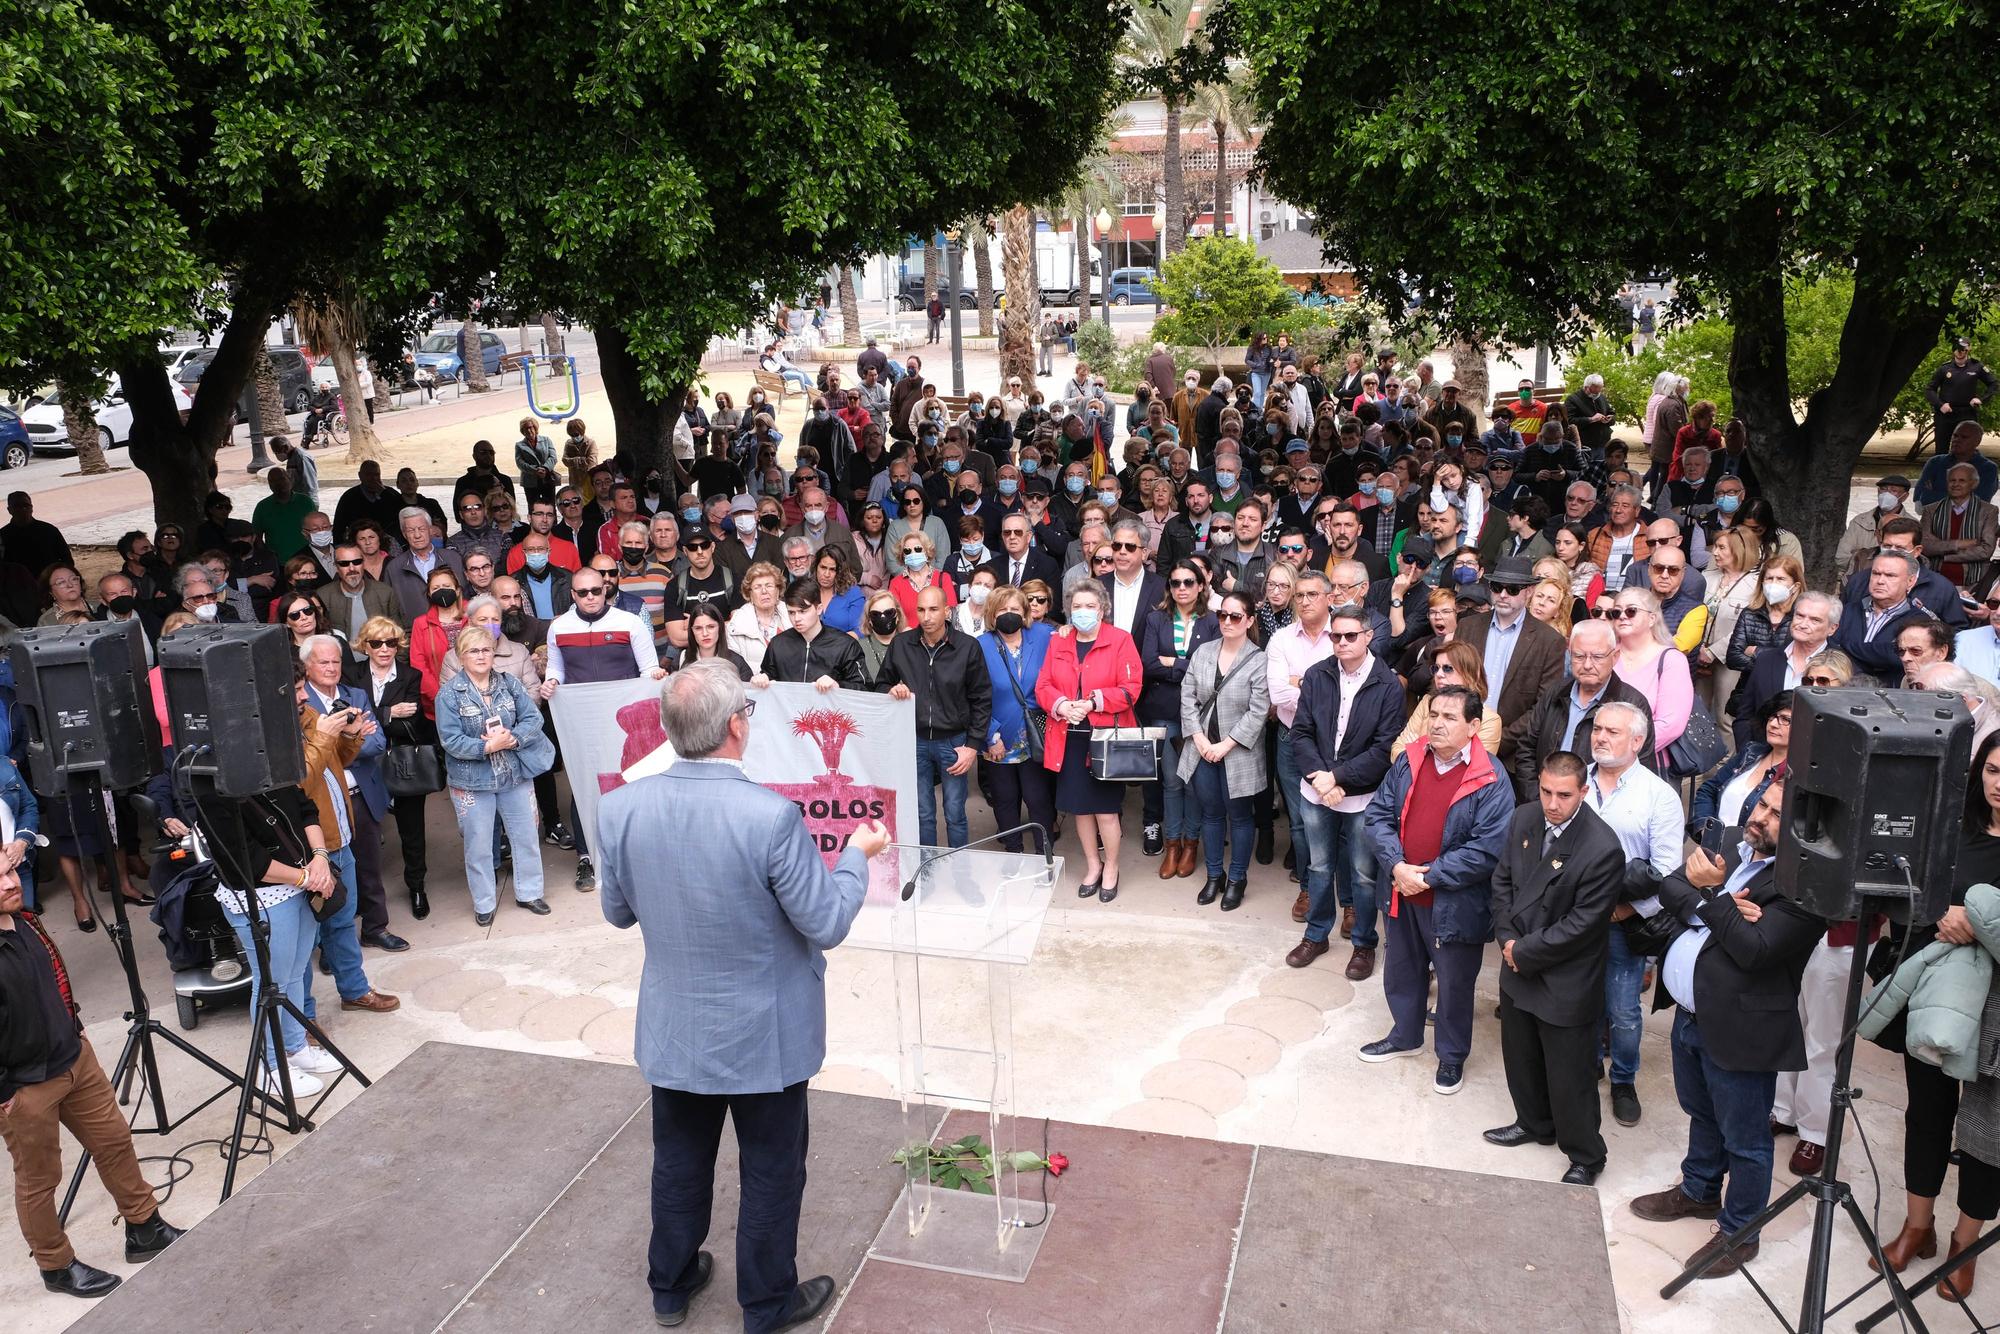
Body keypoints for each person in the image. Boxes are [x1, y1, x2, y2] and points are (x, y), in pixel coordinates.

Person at [597, 662, 890, 1331]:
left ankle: (669, 1286)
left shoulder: (620, 808)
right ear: (736, 726)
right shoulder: (771, 816)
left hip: (676, 1029)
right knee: (770, 1173)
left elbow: (617, 913)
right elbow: (826, 922)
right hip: (768, 1034)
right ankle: (765, 1304)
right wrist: (854, 855)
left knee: (677, 1163)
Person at [1628, 780, 1825, 1278]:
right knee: (1702, 1113)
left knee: (1746, 1138)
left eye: (1777, 814)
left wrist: (1711, 891)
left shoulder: (1806, 887)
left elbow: (1754, 950)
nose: (1760, 816)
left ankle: (1741, 1230)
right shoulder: (1733, 839)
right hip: (1691, 1015)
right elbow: (1670, 885)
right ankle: (1698, 1191)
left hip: (1742, 1027)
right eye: (1763, 803)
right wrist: (1716, 910)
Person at [0, 854, 186, 1299]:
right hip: (24, 1087)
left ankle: (144, 1228)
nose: (10, 883)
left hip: (74, 1060)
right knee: (39, 1181)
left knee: (114, 1141)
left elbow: (53, 977)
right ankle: (56, 1266)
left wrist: (74, 1022)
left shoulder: (25, 921)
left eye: (8, 872)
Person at [1870, 730, 2000, 1293]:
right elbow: (1909, 900)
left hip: (1997, 1017)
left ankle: (1964, 1241)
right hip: (1940, 1000)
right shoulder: (1954, 832)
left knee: (1987, 1131)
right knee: (1927, 1111)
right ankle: (1918, 1224)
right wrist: (1943, 916)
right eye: (1994, 770)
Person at [1357, 687, 1514, 1095]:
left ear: (1474, 726)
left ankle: (1451, 1057)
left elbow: (1487, 849)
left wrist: (1427, 876)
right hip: (1400, 890)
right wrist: (1396, 865)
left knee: (1455, 983)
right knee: (1402, 970)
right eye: (1434, 715)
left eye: (1449, 717)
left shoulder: (1492, 778)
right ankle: (1405, 1036)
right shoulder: (1409, 761)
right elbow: (1376, 817)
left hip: (1454, 903)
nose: (1438, 724)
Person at [1483, 751, 1626, 1184]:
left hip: (1564, 977)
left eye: (1563, 795)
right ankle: (1533, 1123)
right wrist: (1507, 940)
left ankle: (1586, 1155)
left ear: (1584, 792)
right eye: (1545, 791)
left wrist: (1522, 951)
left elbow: (1582, 926)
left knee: (1570, 1075)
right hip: (1518, 959)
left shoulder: (1602, 848)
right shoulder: (1524, 818)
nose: (1552, 803)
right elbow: (1503, 881)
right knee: (1521, 1055)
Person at [1287, 600, 1405, 978]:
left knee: (1364, 874)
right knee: (1318, 867)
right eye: (1335, 636)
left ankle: (1364, 944)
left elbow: (1385, 748)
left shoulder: (1387, 683)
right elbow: (1301, 733)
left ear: (1368, 636)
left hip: (1362, 797)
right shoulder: (1318, 674)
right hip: (1316, 791)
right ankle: (1316, 934)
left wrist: (1337, 778)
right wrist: (1320, 778)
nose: (1341, 643)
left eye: (1350, 636)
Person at [436, 623, 556, 924]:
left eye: (486, 649)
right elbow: (450, 741)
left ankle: (530, 893)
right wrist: (488, 747)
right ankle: (484, 902)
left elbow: (532, 718)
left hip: (514, 774)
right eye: (473, 651)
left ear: (493, 653)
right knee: (477, 844)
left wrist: (512, 739)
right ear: (461, 656)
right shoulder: (449, 695)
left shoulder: (509, 684)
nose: (480, 655)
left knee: (526, 836)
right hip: (472, 781)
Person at [298, 636, 406, 952]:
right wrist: (348, 737)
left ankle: (375, 928)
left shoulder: (355, 694)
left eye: (336, 661)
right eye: (323, 662)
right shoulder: (303, 704)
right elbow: (308, 760)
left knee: (370, 868)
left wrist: (336, 742)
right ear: (307, 667)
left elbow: (377, 742)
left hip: (361, 794)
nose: (332, 668)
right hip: (324, 804)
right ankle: (332, 946)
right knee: (331, 875)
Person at [1035, 581, 1142, 901]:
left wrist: (1094, 701)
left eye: (1090, 606)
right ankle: (1092, 865)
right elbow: (1043, 686)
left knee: (1106, 811)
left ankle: (1111, 867)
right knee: (1080, 809)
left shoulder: (1120, 640)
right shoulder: (1059, 642)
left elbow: (1131, 687)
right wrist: (1062, 705)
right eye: (1077, 607)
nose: (1083, 612)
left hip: (1105, 738)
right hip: (1069, 737)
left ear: (1103, 609)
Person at [1178, 591, 1269, 911]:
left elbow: (1258, 711)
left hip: (1238, 751)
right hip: (1202, 748)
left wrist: (1225, 744)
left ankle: (1237, 879)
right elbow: (1187, 696)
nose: (1227, 622)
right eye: (1222, 615)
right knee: (1211, 815)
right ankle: (1214, 875)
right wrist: (1201, 741)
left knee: (1241, 818)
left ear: (1249, 621)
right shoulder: (1203, 651)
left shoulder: (1258, 659)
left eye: (1235, 616)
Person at [883, 587, 991, 850]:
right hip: (915, 740)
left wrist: (972, 746)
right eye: (921, 610)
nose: (926, 616)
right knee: (922, 813)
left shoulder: (967, 647)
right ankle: (927, 874)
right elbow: (880, 685)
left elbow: (982, 698)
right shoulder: (901, 645)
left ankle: (959, 871)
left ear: (947, 611)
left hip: (953, 741)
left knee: (955, 813)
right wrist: (891, 689)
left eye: (933, 609)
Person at [1505, 619, 1657, 799]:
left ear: (1614, 657)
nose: (1587, 665)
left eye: (1597, 657)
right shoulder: (1556, 692)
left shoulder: (1631, 704)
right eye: (1579, 656)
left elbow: (1640, 772)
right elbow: (1527, 747)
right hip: (1543, 805)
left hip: (1598, 814)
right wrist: (1539, 798)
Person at [346, 617, 433, 920]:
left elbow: (411, 722)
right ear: (365, 645)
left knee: (412, 830)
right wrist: (388, 712)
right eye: (376, 643)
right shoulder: (351, 674)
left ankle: (417, 886)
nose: (384, 649)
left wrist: (370, 718)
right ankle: (361, 895)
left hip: (401, 761)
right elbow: (348, 721)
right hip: (362, 765)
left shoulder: (411, 675)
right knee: (362, 832)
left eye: (391, 642)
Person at [1140, 561, 1217, 879]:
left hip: (1199, 715)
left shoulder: (1213, 621)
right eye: (1175, 583)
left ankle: (1190, 844)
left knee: (1194, 785)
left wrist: (1174, 662)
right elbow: (1148, 664)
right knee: (1171, 782)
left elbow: (1211, 672)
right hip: (1163, 710)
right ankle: (1172, 845)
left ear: (1201, 585)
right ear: (1168, 588)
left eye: (1188, 582)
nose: (1182, 588)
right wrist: (1188, 666)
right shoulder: (1156, 619)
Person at [1609, 586, 1695, 763]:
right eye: (1616, 612)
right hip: (1602, 756)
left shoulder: (1671, 660)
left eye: (1631, 610)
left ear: (1652, 618)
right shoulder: (1607, 655)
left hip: (1650, 762)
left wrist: (1624, 753)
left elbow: (1671, 724)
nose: (1623, 616)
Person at [758, 577, 864, 690]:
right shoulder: (778, 644)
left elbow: (864, 688)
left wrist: (838, 685)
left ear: (819, 609)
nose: (796, 618)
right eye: (791, 612)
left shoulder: (845, 645)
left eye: (802, 611)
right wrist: (763, 679)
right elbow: (768, 677)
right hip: (789, 707)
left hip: (829, 707)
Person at [1928, 338, 1996, 454]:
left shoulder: (1977, 366)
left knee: (1967, 450)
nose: (1960, 352)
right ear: (1953, 350)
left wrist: (1981, 399)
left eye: (1962, 349)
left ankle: (1964, 472)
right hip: (1946, 414)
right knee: (1941, 451)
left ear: (1968, 349)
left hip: (1967, 414)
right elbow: (1930, 389)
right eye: (1957, 349)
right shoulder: (1944, 368)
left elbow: (1993, 384)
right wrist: (1940, 405)